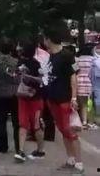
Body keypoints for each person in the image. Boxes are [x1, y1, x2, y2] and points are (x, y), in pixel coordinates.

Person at [42, 25, 83, 174]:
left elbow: (74, 77)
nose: (43, 41)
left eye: (44, 38)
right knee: (62, 130)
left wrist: (74, 97)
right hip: (52, 98)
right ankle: (70, 159)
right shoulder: (50, 56)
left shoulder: (67, 55)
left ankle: (79, 163)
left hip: (65, 99)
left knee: (70, 130)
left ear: (49, 39)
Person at [15, 41, 45, 162]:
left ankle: (21, 151)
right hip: (36, 97)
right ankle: (40, 150)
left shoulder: (20, 62)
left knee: (23, 124)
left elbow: (15, 76)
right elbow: (41, 80)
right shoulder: (37, 64)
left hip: (23, 97)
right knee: (36, 125)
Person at [0, 39, 19, 155]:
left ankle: (3, 147)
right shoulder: (16, 62)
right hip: (14, 93)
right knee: (16, 122)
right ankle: (18, 146)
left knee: (1, 121)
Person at [76, 45, 93, 128]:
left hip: (78, 82)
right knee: (86, 104)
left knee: (80, 103)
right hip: (89, 82)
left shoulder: (77, 60)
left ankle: (79, 120)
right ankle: (85, 121)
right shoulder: (92, 60)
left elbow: (74, 70)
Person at [92, 44, 100, 125]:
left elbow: (91, 74)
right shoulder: (94, 60)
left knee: (97, 99)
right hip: (96, 81)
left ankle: (98, 118)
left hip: (96, 81)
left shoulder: (94, 61)